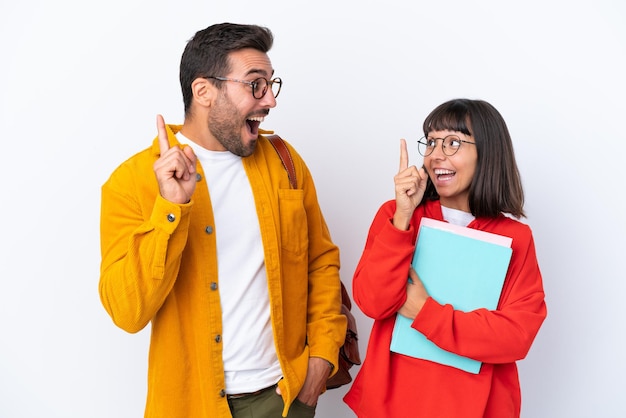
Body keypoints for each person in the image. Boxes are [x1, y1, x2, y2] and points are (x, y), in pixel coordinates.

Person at [99, 23, 347, 418]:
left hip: (285, 398)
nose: (270, 101)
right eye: (254, 85)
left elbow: (320, 261)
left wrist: (320, 360)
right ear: (204, 92)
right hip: (190, 403)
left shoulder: (285, 163)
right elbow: (128, 312)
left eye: (270, 84)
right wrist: (171, 209)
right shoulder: (131, 183)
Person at [343, 98, 547, 418]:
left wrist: (425, 311)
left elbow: (515, 337)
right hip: (392, 403)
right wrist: (402, 219)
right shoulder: (397, 215)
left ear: (488, 154)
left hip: (476, 407)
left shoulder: (516, 238)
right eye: (432, 142)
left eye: (453, 142)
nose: (436, 154)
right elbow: (372, 301)